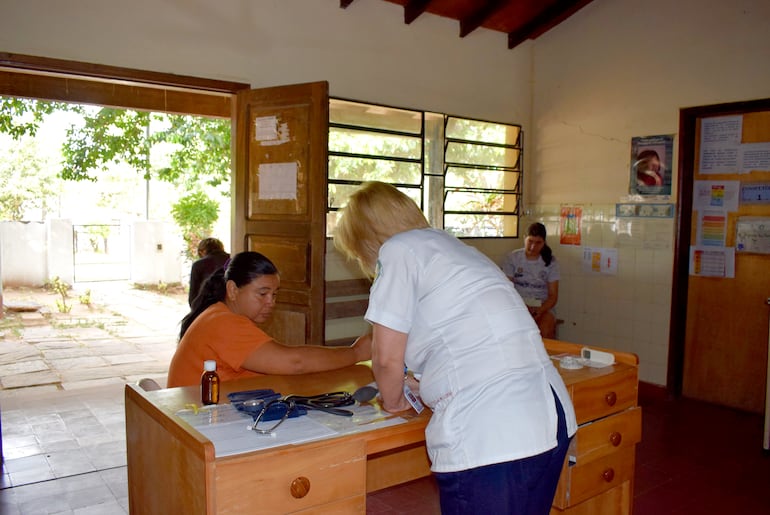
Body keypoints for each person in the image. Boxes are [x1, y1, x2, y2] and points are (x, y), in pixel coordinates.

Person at [333, 181, 577, 515]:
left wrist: (395, 401)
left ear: (367, 241)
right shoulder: (453, 247)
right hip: (549, 416)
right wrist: (426, 382)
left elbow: (386, 359)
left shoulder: (398, 251)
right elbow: (469, 338)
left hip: (494, 431)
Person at [167, 251, 371, 387]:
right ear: (232, 290)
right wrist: (356, 352)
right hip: (196, 424)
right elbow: (295, 362)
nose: (271, 302)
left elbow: (283, 359)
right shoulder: (222, 322)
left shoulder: (219, 314)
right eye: (262, 293)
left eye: (274, 294)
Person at [502, 222, 560, 339]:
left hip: (542, 307)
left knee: (545, 330)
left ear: (544, 242)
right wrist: (522, 306)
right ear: (525, 239)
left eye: (538, 243)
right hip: (518, 304)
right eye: (530, 242)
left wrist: (540, 310)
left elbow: (553, 296)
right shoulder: (513, 258)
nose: (533, 247)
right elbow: (506, 289)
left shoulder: (551, 262)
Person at [188, 237, 230, 307]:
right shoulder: (233, 260)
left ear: (202, 251)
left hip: (207, 308)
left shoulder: (198, 265)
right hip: (231, 307)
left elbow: (193, 298)